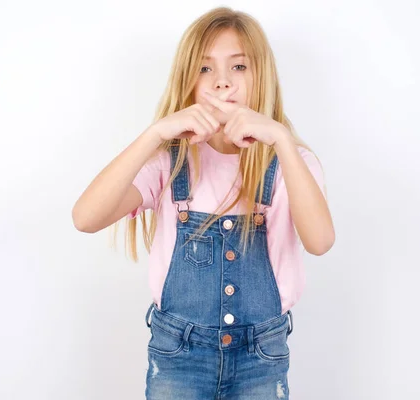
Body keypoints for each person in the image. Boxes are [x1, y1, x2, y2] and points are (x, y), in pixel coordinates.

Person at [72, 6, 335, 399]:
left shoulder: (288, 164)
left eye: (239, 67)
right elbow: (85, 217)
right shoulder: (171, 161)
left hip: (261, 358)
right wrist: (156, 133)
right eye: (205, 68)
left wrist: (280, 138)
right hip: (178, 357)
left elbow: (320, 241)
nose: (222, 84)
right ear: (188, 80)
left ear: (261, 75)